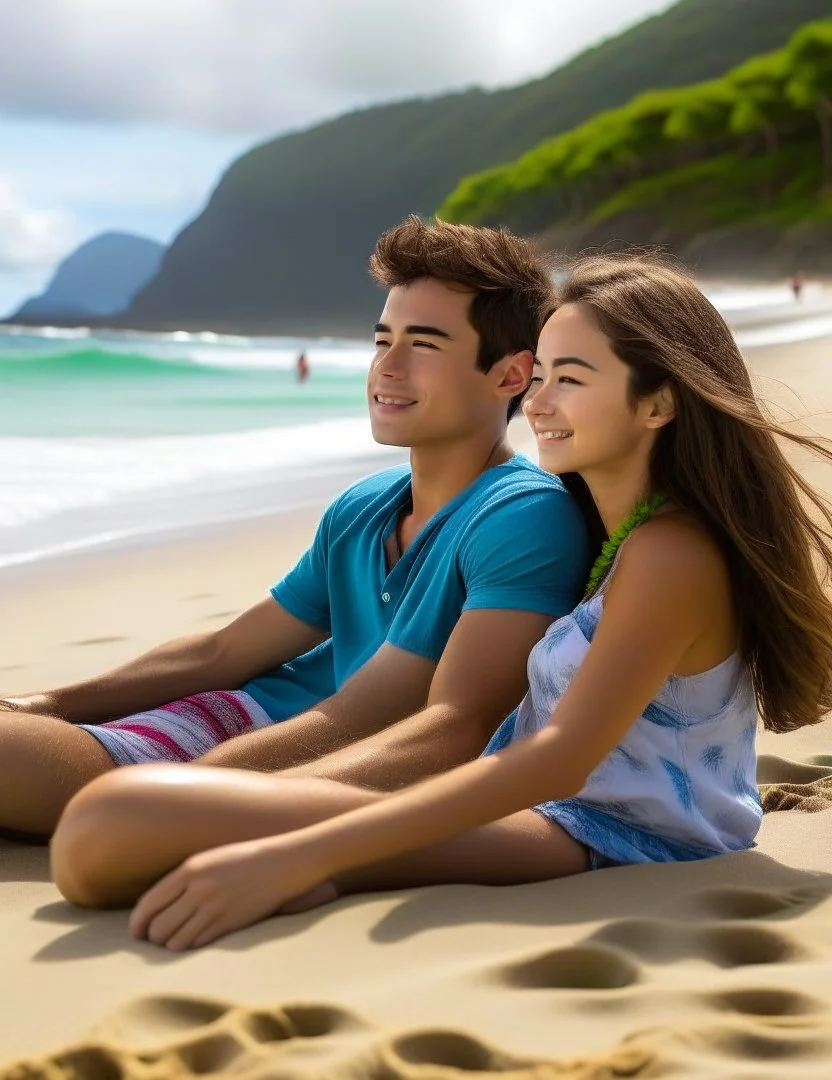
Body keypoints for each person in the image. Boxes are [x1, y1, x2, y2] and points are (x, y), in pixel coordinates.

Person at [52, 249, 832, 949]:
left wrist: (298, 850)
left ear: (657, 404)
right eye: (543, 373)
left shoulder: (671, 552)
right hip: (544, 817)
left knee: (111, 824)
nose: (539, 400)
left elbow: (559, 761)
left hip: (612, 836)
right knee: (112, 824)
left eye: (573, 378)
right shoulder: (621, 535)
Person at [0, 216, 590, 840]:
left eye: (423, 343)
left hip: (306, 762)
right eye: (382, 339)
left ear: (509, 375)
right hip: (242, 720)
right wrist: (49, 703)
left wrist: (202, 789)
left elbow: (401, 715)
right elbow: (223, 652)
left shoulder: (523, 514)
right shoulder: (363, 506)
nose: (386, 367)